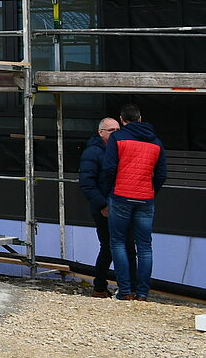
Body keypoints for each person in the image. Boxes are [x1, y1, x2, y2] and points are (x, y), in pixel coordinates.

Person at [100, 103, 167, 302]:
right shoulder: (156, 141)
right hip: (145, 198)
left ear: (122, 120)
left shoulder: (118, 138)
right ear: (140, 118)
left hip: (121, 195)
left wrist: (108, 193)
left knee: (118, 243)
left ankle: (126, 290)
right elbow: (162, 174)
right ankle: (143, 293)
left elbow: (109, 168)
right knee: (145, 247)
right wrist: (151, 190)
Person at [78, 116, 136, 297]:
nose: (116, 134)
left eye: (118, 130)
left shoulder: (119, 149)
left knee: (125, 246)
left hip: (121, 205)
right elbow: (87, 183)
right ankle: (101, 287)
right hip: (104, 208)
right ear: (101, 132)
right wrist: (102, 205)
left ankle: (124, 287)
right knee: (110, 247)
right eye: (112, 131)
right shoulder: (93, 152)